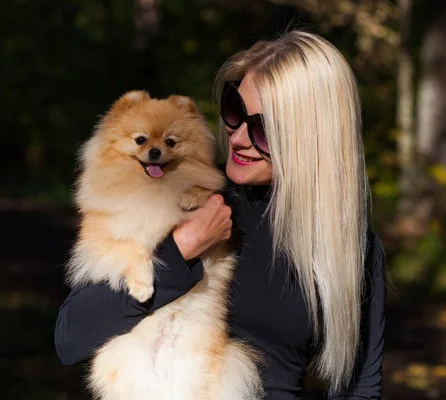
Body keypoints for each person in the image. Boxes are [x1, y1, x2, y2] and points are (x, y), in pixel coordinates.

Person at [54, 30, 386, 399]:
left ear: (310, 137)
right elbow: (71, 337)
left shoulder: (350, 247)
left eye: (263, 128)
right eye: (234, 110)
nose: (239, 137)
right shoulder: (182, 202)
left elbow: (360, 388)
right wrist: (182, 251)